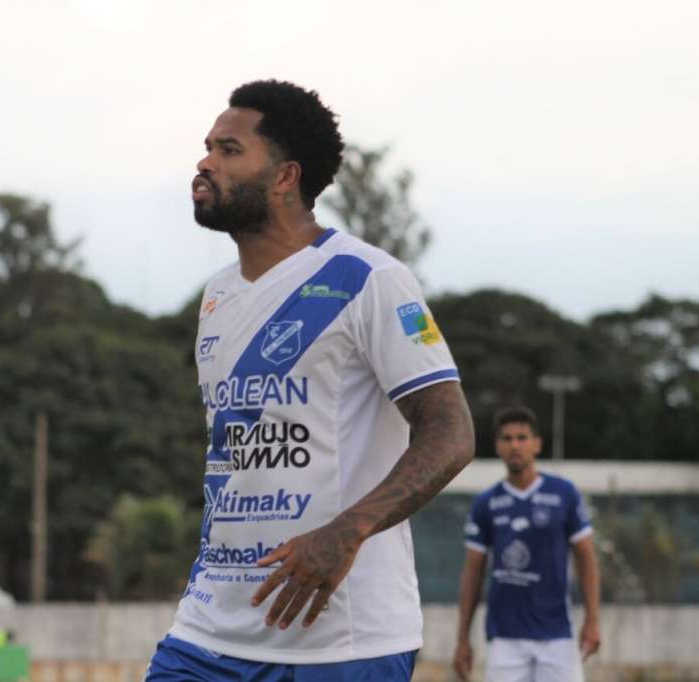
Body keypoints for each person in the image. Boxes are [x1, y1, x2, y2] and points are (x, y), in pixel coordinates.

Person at [145, 79, 475, 681]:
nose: (205, 163)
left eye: (229, 150)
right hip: (210, 628)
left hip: (342, 641)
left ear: (285, 177)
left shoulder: (367, 278)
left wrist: (346, 532)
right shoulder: (216, 297)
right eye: (208, 147)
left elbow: (451, 433)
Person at [454, 406, 601, 682]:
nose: (515, 445)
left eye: (522, 438)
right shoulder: (486, 502)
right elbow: (473, 571)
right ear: (497, 446)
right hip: (504, 639)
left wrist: (592, 620)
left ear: (537, 444)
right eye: (507, 438)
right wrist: (463, 639)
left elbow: (587, 558)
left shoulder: (564, 494)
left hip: (557, 635)